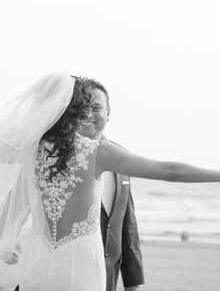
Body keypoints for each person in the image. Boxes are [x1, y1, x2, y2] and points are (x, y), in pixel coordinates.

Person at [0, 73, 220, 291]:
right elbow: (168, 170)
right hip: (82, 268)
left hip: (40, 265)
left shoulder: (32, 148)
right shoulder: (98, 153)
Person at [78, 79, 144, 291]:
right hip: (68, 273)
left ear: (108, 113)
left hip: (107, 281)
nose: (88, 113)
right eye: (80, 107)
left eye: (96, 107)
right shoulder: (55, 157)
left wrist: (133, 283)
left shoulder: (122, 159)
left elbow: (127, 226)